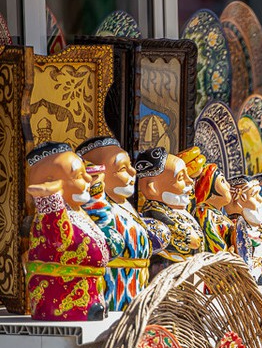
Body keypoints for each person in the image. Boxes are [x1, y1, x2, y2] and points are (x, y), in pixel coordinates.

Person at [77, 136, 169, 311]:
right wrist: (95, 187)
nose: (133, 172)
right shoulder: (96, 206)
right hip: (112, 291)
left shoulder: (126, 207)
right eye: (122, 168)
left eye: (130, 166)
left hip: (136, 290)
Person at [25, 142, 109, 321]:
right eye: (79, 175)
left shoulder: (77, 213)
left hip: (90, 294)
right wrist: (49, 198)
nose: (88, 179)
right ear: (51, 183)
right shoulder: (52, 214)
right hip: (63, 301)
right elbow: (59, 240)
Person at [135, 147, 203, 278]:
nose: (190, 181)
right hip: (167, 278)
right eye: (181, 177)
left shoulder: (177, 210)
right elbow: (193, 241)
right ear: (153, 188)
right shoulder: (154, 212)